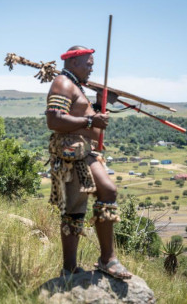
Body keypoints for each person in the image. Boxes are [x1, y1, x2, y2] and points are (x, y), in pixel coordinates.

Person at [46, 46, 132, 279]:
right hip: (73, 152)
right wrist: (89, 119)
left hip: (81, 151)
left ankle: (70, 269)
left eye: (92, 64)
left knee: (75, 210)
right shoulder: (63, 83)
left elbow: (80, 116)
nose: (91, 68)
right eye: (88, 64)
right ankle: (107, 260)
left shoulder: (75, 86)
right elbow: (54, 119)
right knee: (106, 191)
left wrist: (99, 104)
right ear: (74, 63)